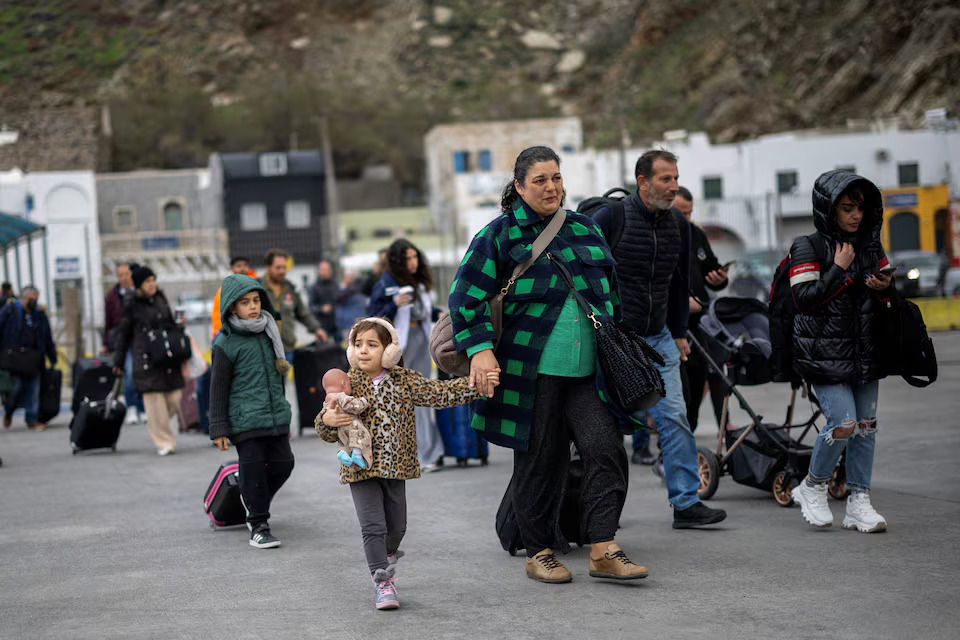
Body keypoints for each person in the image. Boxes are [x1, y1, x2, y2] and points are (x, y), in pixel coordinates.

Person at [449, 145, 650, 584]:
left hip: (588, 373)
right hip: (529, 372)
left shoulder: (585, 230)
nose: (551, 187)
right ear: (519, 186)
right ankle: (538, 551)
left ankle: (602, 547)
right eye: (540, 180)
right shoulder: (498, 235)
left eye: (556, 178)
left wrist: (619, 346)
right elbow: (466, 297)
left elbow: (610, 295)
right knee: (540, 460)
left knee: (606, 449)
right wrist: (480, 349)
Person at [316, 317, 499, 609]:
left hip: (395, 467)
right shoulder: (349, 381)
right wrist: (326, 419)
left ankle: (386, 554)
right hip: (359, 468)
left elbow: (440, 393)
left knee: (396, 528)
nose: (363, 351)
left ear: (390, 351)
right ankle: (382, 581)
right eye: (358, 344)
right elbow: (326, 421)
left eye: (372, 345)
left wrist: (476, 385)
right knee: (372, 527)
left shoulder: (405, 379)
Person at [593, 149, 727, 529]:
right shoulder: (610, 217)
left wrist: (681, 332)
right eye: (666, 179)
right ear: (643, 182)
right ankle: (601, 511)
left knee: (675, 417)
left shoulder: (680, 227)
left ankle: (686, 503)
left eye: (676, 178)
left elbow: (679, 282)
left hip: (659, 336)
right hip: (612, 339)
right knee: (605, 426)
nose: (674, 187)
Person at [789, 170, 892, 533]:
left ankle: (859, 501)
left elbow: (886, 301)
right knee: (844, 424)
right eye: (847, 208)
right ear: (829, 210)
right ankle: (812, 486)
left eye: (860, 208)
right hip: (822, 357)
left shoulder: (871, 246)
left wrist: (885, 287)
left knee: (866, 427)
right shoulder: (806, 246)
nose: (855, 216)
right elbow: (803, 302)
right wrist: (838, 269)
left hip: (865, 353)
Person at [208, 274, 296, 549]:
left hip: (273, 415)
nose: (253, 306)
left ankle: (251, 501)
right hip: (244, 420)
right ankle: (258, 525)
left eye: (256, 300)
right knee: (255, 470)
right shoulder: (225, 343)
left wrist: (281, 410)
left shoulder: (269, 332)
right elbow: (218, 388)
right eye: (245, 302)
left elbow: (277, 378)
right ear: (232, 308)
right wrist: (219, 428)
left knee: (285, 464)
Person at [367, 239, 443, 472]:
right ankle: (413, 453)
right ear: (398, 261)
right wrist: (394, 303)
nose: (413, 262)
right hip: (399, 348)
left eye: (415, 257)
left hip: (420, 342)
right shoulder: (387, 283)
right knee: (402, 400)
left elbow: (424, 313)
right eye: (408, 258)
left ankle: (429, 452)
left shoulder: (419, 283)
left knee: (422, 398)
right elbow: (373, 317)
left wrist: (440, 315)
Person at [675, 187, 730, 434]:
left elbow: (712, 267)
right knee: (679, 394)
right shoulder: (658, 236)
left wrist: (719, 278)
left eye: (689, 213)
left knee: (699, 386)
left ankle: (698, 435)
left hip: (700, 325)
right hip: (671, 325)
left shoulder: (696, 233)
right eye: (681, 213)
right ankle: (668, 450)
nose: (686, 219)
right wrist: (679, 302)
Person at [112, 266, 184, 456]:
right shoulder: (131, 304)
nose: (152, 284)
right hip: (145, 359)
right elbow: (123, 335)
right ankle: (164, 441)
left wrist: (178, 326)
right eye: (147, 281)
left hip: (166, 356)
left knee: (175, 397)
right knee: (154, 403)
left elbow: (168, 321)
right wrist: (118, 362)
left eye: (153, 279)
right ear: (139, 285)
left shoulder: (160, 298)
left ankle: (164, 426)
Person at [1, 286, 56, 431]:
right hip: (14, 358)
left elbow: (47, 338)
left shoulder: (39, 315)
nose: (34, 302)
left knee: (33, 389)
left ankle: (32, 419)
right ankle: (9, 410)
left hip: (33, 358)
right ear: (23, 298)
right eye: (31, 299)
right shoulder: (10, 311)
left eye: (36, 299)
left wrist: (52, 357)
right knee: (16, 388)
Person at [257, 249, 328, 361]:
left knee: (284, 379)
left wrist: (316, 329)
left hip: (287, 349)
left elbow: (303, 312)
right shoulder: (257, 289)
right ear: (268, 267)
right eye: (278, 267)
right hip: (263, 351)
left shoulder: (289, 289)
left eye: (284, 267)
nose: (282, 271)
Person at [103, 261, 145, 424]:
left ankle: (142, 408)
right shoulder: (112, 296)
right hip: (122, 341)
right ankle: (132, 407)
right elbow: (108, 321)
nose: (124, 278)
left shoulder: (139, 292)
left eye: (126, 274)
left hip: (139, 339)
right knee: (128, 374)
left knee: (141, 373)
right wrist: (105, 343)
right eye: (120, 275)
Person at [212, 257, 257, 340]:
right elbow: (218, 311)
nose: (242, 268)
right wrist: (218, 330)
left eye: (245, 265)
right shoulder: (225, 288)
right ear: (232, 268)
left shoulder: (256, 285)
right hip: (228, 330)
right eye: (239, 266)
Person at [335, 269, 368, 341]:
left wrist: (343, 288)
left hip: (353, 324)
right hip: (347, 324)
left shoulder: (354, 291)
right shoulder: (345, 290)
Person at [309, 260, 339, 339]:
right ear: (319, 271)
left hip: (336, 325)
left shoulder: (335, 285)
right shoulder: (314, 287)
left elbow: (340, 301)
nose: (327, 272)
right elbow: (310, 307)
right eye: (324, 269)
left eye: (328, 269)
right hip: (322, 326)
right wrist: (321, 309)